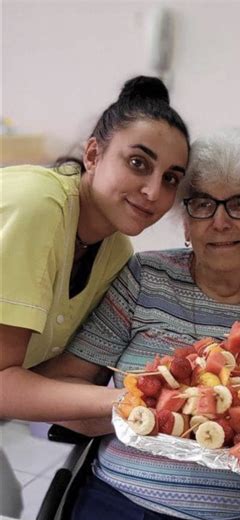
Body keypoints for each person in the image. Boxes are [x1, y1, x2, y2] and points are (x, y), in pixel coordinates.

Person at [38, 128, 240, 520]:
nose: (219, 221)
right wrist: (127, 409)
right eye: (203, 204)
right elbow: (66, 386)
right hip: (129, 499)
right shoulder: (144, 279)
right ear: (186, 221)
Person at [0, 75, 189, 433]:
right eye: (138, 163)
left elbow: (57, 387)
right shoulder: (38, 205)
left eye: (170, 179)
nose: (153, 191)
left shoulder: (116, 252)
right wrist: (134, 400)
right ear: (92, 154)